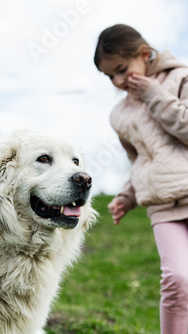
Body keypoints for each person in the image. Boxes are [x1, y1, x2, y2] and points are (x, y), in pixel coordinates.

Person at [94, 24, 188, 333]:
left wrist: (154, 96)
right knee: (177, 279)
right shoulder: (119, 115)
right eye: (110, 77)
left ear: (144, 54)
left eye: (121, 69)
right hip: (162, 205)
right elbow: (140, 161)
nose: (118, 81)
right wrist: (127, 195)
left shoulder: (181, 78)